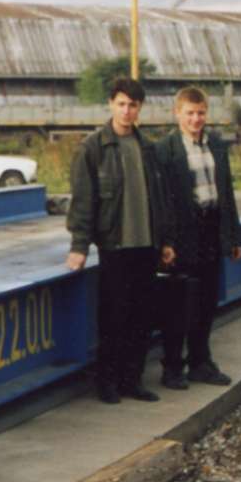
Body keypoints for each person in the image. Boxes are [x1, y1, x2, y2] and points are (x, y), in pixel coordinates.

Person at [66, 76, 176, 403]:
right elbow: (83, 202)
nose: (127, 111)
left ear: (140, 108)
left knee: (141, 318)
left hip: (146, 245)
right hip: (115, 246)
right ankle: (107, 382)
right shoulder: (93, 148)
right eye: (122, 104)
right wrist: (79, 247)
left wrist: (166, 241)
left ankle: (133, 380)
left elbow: (161, 198)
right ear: (111, 105)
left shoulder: (148, 148)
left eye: (133, 105)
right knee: (114, 318)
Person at [154, 86, 241, 388]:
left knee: (207, 302)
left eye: (201, 113)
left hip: (211, 230)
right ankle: (172, 367)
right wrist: (166, 242)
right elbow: (162, 200)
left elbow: (226, 191)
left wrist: (233, 236)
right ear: (177, 113)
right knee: (179, 304)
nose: (196, 119)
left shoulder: (215, 144)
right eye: (189, 113)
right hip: (182, 235)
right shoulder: (165, 150)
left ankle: (201, 362)